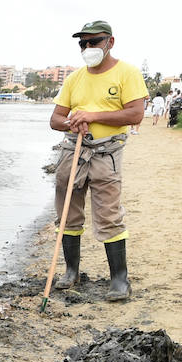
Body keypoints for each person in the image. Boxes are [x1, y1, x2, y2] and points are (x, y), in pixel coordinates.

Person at [49, 20, 148, 301]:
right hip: (73, 150)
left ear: (110, 42)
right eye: (83, 43)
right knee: (67, 210)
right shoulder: (74, 78)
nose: (88, 47)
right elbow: (55, 119)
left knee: (109, 214)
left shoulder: (127, 73)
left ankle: (119, 280)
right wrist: (71, 123)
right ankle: (71, 271)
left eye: (94, 42)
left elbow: (135, 115)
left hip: (107, 152)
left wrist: (92, 116)